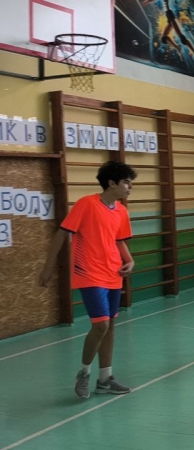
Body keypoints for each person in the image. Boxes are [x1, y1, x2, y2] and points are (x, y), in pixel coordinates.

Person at [39, 161, 137, 399]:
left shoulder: (121, 211)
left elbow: (118, 240)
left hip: (113, 274)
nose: (130, 187)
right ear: (111, 183)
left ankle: (105, 379)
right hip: (89, 273)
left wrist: (130, 260)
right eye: (126, 182)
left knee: (110, 325)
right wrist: (48, 267)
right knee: (100, 325)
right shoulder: (86, 204)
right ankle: (84, 373)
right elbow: (62, 233)